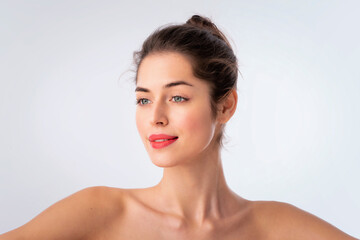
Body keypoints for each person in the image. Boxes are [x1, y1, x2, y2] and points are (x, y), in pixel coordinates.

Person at [0, 14, 357, 240]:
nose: (155, 116)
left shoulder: (276, 227)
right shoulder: (102, 211)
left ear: (225, 105)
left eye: (177, 97)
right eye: (143, 99)